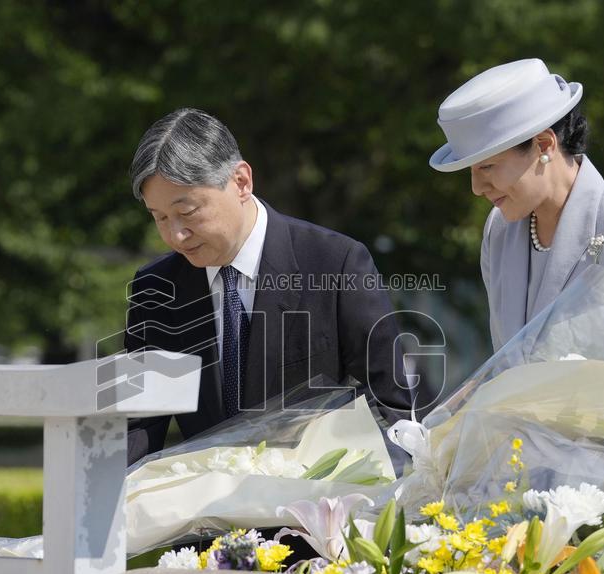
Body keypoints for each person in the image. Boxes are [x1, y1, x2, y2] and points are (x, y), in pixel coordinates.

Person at [429, 58, 604, 574]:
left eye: (486, 167)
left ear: (543, 146)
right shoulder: (501, 231)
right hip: (541, 506)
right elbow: (511, 365)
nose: (476, 187)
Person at [124, 108, 413, 464]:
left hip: (313, 506)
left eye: (187, 212)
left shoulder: (335, 262)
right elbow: (138, 426)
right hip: (202, 511)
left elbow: (391, 406)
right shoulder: (156, 288)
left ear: (241, 182)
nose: (176, 235)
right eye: (160, 218)